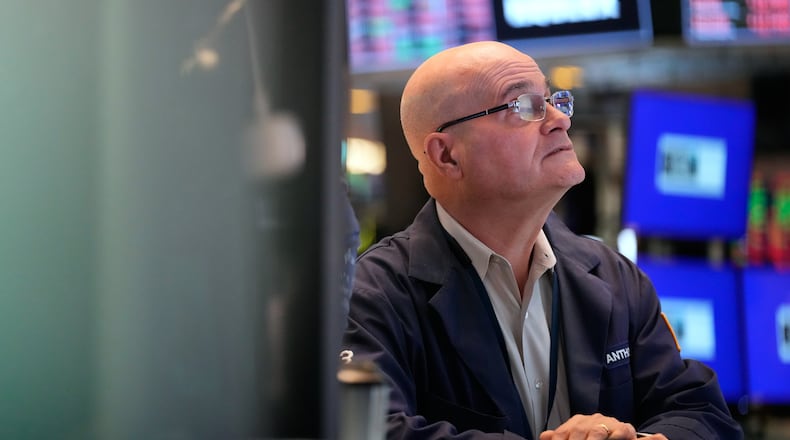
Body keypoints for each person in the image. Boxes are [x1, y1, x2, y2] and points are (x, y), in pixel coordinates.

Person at [341, 41, 742, 440]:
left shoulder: (613, 276)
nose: (560, 120)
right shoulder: (371, 296)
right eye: (524, 106)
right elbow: (371, 431)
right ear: (447, 156)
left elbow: (700, 413)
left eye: (553, 101)